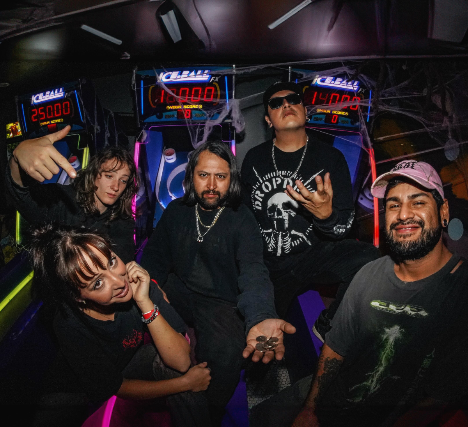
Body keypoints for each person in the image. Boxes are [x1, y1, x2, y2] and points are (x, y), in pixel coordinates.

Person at [279, 160, 468, 427]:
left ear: (443, 210)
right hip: (332, 403)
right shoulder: (369, 273)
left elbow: (441, 395)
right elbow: (335, 348)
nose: (403, 215)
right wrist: (310, 408)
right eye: (393, 205)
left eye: (418, 202)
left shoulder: (460, 291)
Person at [140, 140, 296, 425]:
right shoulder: (176, 211)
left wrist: (261, 316)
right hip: (179, 289)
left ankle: (209, 413)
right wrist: (152, 285)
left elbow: (253, 270)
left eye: (220, 177)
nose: (211, 185)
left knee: (226, 356)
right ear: (191, 177)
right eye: (203, 175)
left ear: (230, 180)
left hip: (220, 301)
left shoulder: (242, 219)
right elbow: (155, 258)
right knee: (141, 307)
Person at [29, 225, 212, 427]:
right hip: (85, 397)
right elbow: (114, 387)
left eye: (112, 262)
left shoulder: (138, 281)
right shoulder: (69, 324)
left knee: (170, 361)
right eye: (98, 283)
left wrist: (145, 302)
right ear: (78, 298)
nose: (118, 281)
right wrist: (184, 384)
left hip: (130, 364)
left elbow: (181, 361)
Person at [241, 81, 380, 341]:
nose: (286, 105)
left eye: (294, 100)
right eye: (276, 103)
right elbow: (245, 220)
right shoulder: (254, 159)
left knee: (371, 260)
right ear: (268, 120)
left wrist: (326, 216)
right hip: (268, 267)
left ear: (306, 111)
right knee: (263, 343)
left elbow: (344, 226)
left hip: (312, 256)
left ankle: (328, 325)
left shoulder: (330, 158)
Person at [5, 125, 136, 262]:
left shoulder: (122, 222)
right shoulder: (65, 200)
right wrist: (17, 158)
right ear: (93, 174)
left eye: (123, 180)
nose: (116, 186)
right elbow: (23, 196)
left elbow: (121, 264)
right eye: (109, 176)